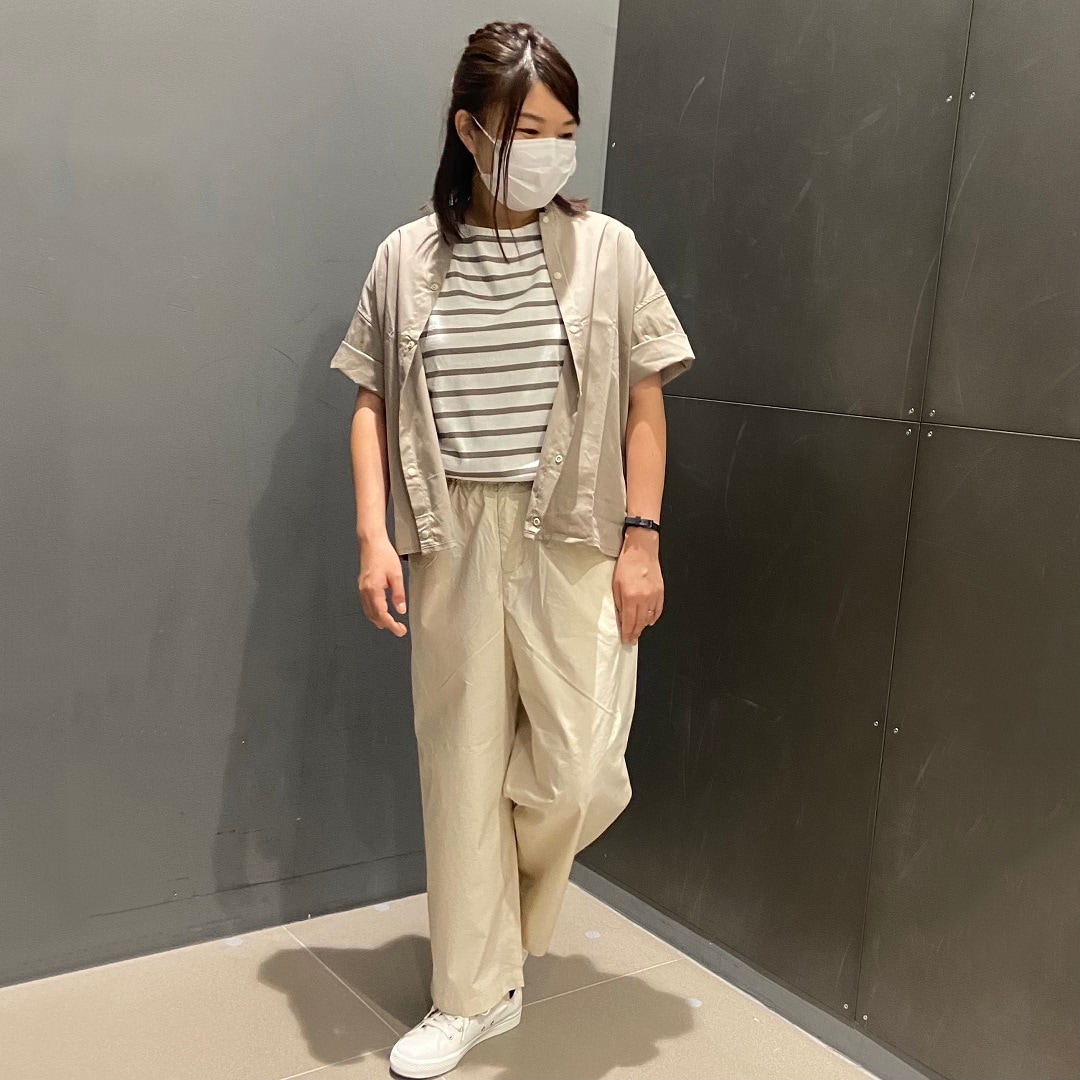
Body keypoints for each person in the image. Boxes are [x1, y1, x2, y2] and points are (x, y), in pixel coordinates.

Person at [330, 21, 694, 1079]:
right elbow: (369, 403)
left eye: (563, 131)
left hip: (572, 529)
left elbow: (645, 405)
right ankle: (470, 994)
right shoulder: (406, 258)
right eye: (526, 130)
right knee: (460, 769)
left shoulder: (608, 250)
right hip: (450, 536)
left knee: (580, 769)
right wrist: (374, 536)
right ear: (469, 129)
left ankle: (499, 924)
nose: (549, 151)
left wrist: (643, 540)